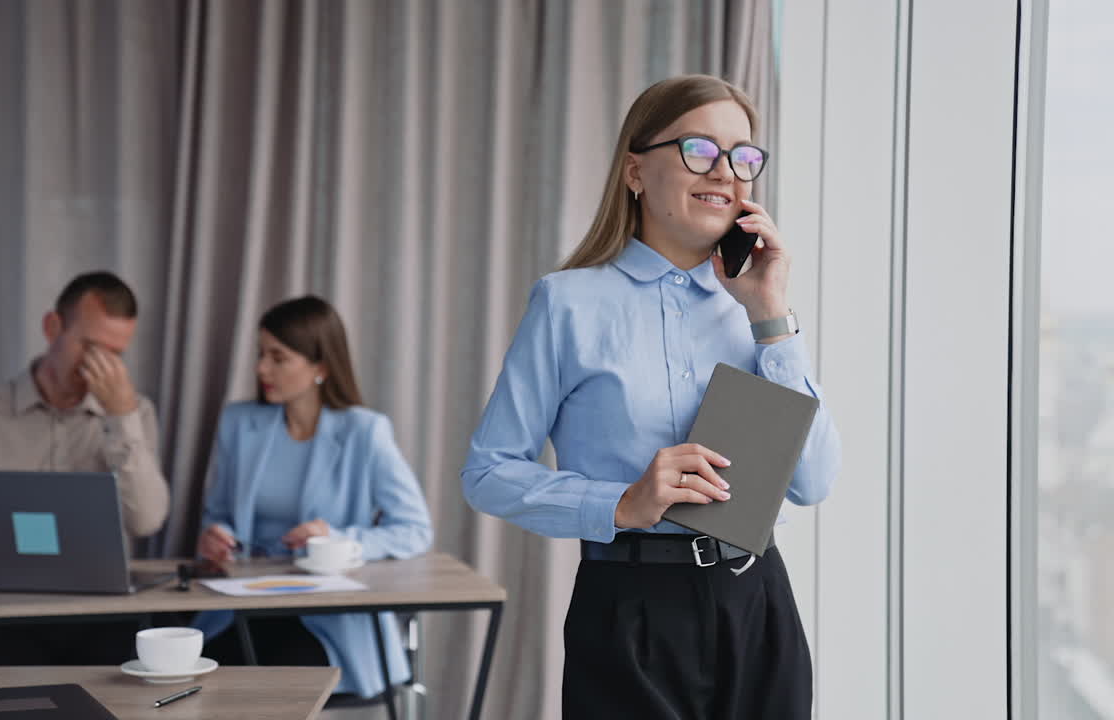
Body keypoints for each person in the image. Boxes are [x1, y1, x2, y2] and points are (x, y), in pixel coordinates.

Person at [462, 75, 842, 720]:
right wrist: (622, 502)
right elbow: (488, 472)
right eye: (700, 149)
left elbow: (813, 481)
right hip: (629, 607)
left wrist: (771, 313)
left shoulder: (756, 311)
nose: (725, 171)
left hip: (758, 604)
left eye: (742, 156)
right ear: (636, 170)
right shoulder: (568, 304)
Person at [0, 270, 170, 664]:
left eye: (115, 355)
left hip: (99, 616)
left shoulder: (134, 416)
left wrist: (121, 417)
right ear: (53, 328)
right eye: (90, 346)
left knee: (129, 679)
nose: (99, 366)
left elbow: (147, 521)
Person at [193, 295, 433, 699]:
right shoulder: (239, 423)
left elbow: (415, 529)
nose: (261, 368)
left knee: (277, 684)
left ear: (320, 366)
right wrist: (215, 535)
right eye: (260, 354)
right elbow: (216, 513)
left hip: (327, 618)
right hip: (244, 607)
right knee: (200, 681)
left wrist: (338, 540)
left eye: (278, 357)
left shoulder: (365, 432)